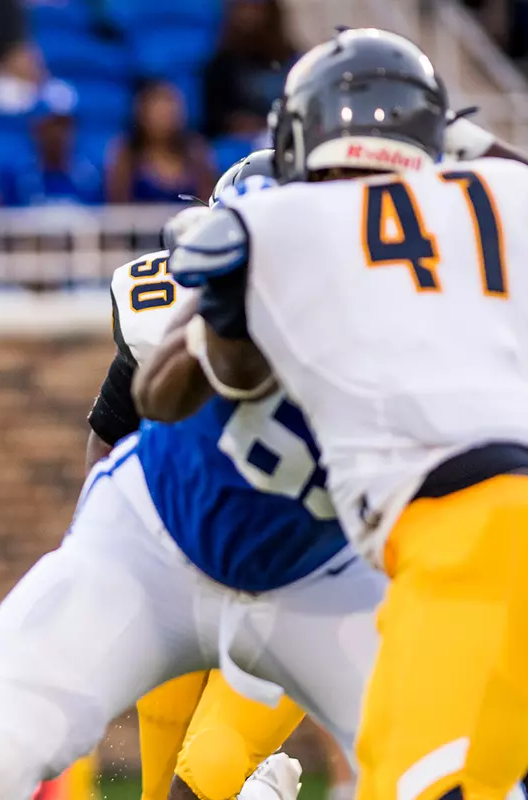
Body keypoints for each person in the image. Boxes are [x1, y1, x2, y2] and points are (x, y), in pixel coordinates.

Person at [0, 156, 387, 800]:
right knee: (74, 765)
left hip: (308, 573)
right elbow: (121, 423)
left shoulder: (386, 328)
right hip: (174, 547)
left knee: (214, 766)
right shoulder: (176, 317)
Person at [159, 27, 528, 800]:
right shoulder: (492, 197)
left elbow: (160, 390)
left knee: (411, 779)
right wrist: (464, 140)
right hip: (409, 550)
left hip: (437, 538)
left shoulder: (295, 224)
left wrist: (212, 301)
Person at [200, 0, 299, 142]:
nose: (249, 16)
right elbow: (217, 120)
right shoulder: (220, 66)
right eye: (244, 8)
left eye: (256, 9)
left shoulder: (291, 60)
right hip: (242, 145)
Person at [105, 80, 217, 204]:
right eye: (158, 110)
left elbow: (209, 203)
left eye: (169, 109)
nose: (164, 116)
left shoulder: (196, 151)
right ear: (142, 113)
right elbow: (117, 207)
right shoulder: (126, 154)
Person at [0, 78, 102, 207]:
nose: (58, 134)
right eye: (52, 124)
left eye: (65, 125)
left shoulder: (93, 178)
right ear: (36, 128)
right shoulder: (15, 178)